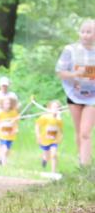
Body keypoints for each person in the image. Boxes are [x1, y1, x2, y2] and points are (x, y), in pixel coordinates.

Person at [56, 19, 95, 167]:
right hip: (74, 95)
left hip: (93, 97)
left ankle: (86, 166)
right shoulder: (70, 50)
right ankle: (82, 163)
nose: (85, 35)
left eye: (89, 32)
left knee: (85, 132)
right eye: (83, 31)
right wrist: (74, 75)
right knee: (79, 131)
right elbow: (60, 72)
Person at [36, 100, 64, 173]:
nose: (56, 109)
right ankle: (44, 159)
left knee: (54, 155)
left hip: (54, 140)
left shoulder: (59, 119)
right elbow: (37, 126)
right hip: (45, 140)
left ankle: (53, 172)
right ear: (49, 108)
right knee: (47, 156)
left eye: (58, 107)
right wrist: (38, 136)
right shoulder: (45, 117)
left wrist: (61, 136)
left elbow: (60, 129)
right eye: (54, 107)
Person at [0, 95, 20, 166]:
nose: (8, 105)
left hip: (10, 135)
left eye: (9, 103)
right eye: (6, 103)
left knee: (7, 150)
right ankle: (4, 165)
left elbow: (16, 122)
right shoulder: (0, 112)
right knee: (4, 149)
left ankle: (0, 158)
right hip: (2, 134)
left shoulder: (14, 112)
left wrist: (16, 129)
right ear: (2, 104)